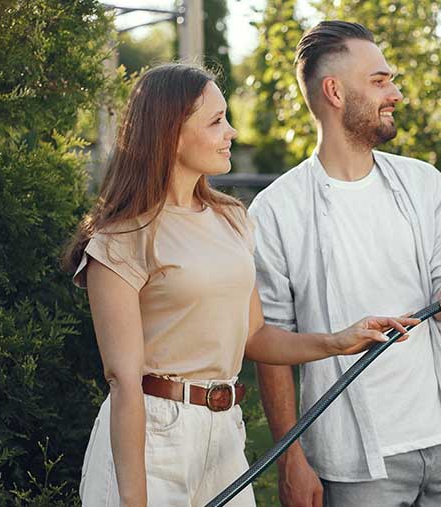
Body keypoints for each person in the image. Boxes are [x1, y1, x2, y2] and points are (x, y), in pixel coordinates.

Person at [61, 63, 417, 507]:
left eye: (226, 117)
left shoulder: (232, 219)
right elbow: (124, 381)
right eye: (215, 122)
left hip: (224, 433)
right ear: (169, 134)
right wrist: (134, 498)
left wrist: (337, 342)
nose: (231, 132)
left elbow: (254, 336)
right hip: (151, 438)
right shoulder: (121, 240)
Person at [250, 21, 441, 507]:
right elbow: (269, 345)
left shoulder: (423, 183)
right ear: (335, 91)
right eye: (380, 80)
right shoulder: (276, 212)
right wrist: (291, 459)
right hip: (356, 463)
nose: (396, 93)